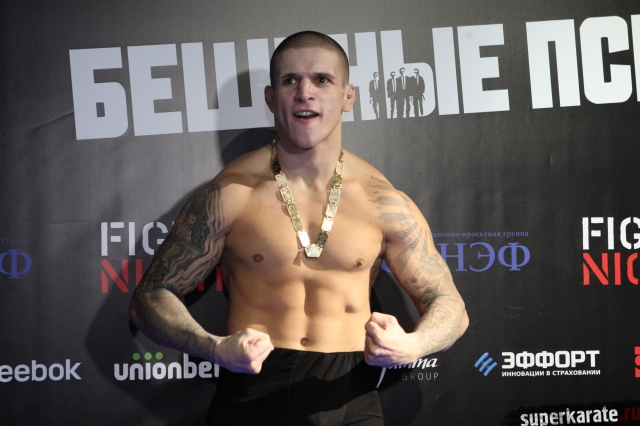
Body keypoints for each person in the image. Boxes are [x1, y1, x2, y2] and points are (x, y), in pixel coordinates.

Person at [129, 30, 468, 425]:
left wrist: (412, 346)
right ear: (272, 98)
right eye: (291, 80)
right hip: (253, 389)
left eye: (322, 80)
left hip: (350, 390)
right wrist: (214, 348)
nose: (305, 93)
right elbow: (150, 297)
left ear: (348, 96)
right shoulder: (231, 194)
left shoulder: (383, 202)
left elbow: (450, 305)